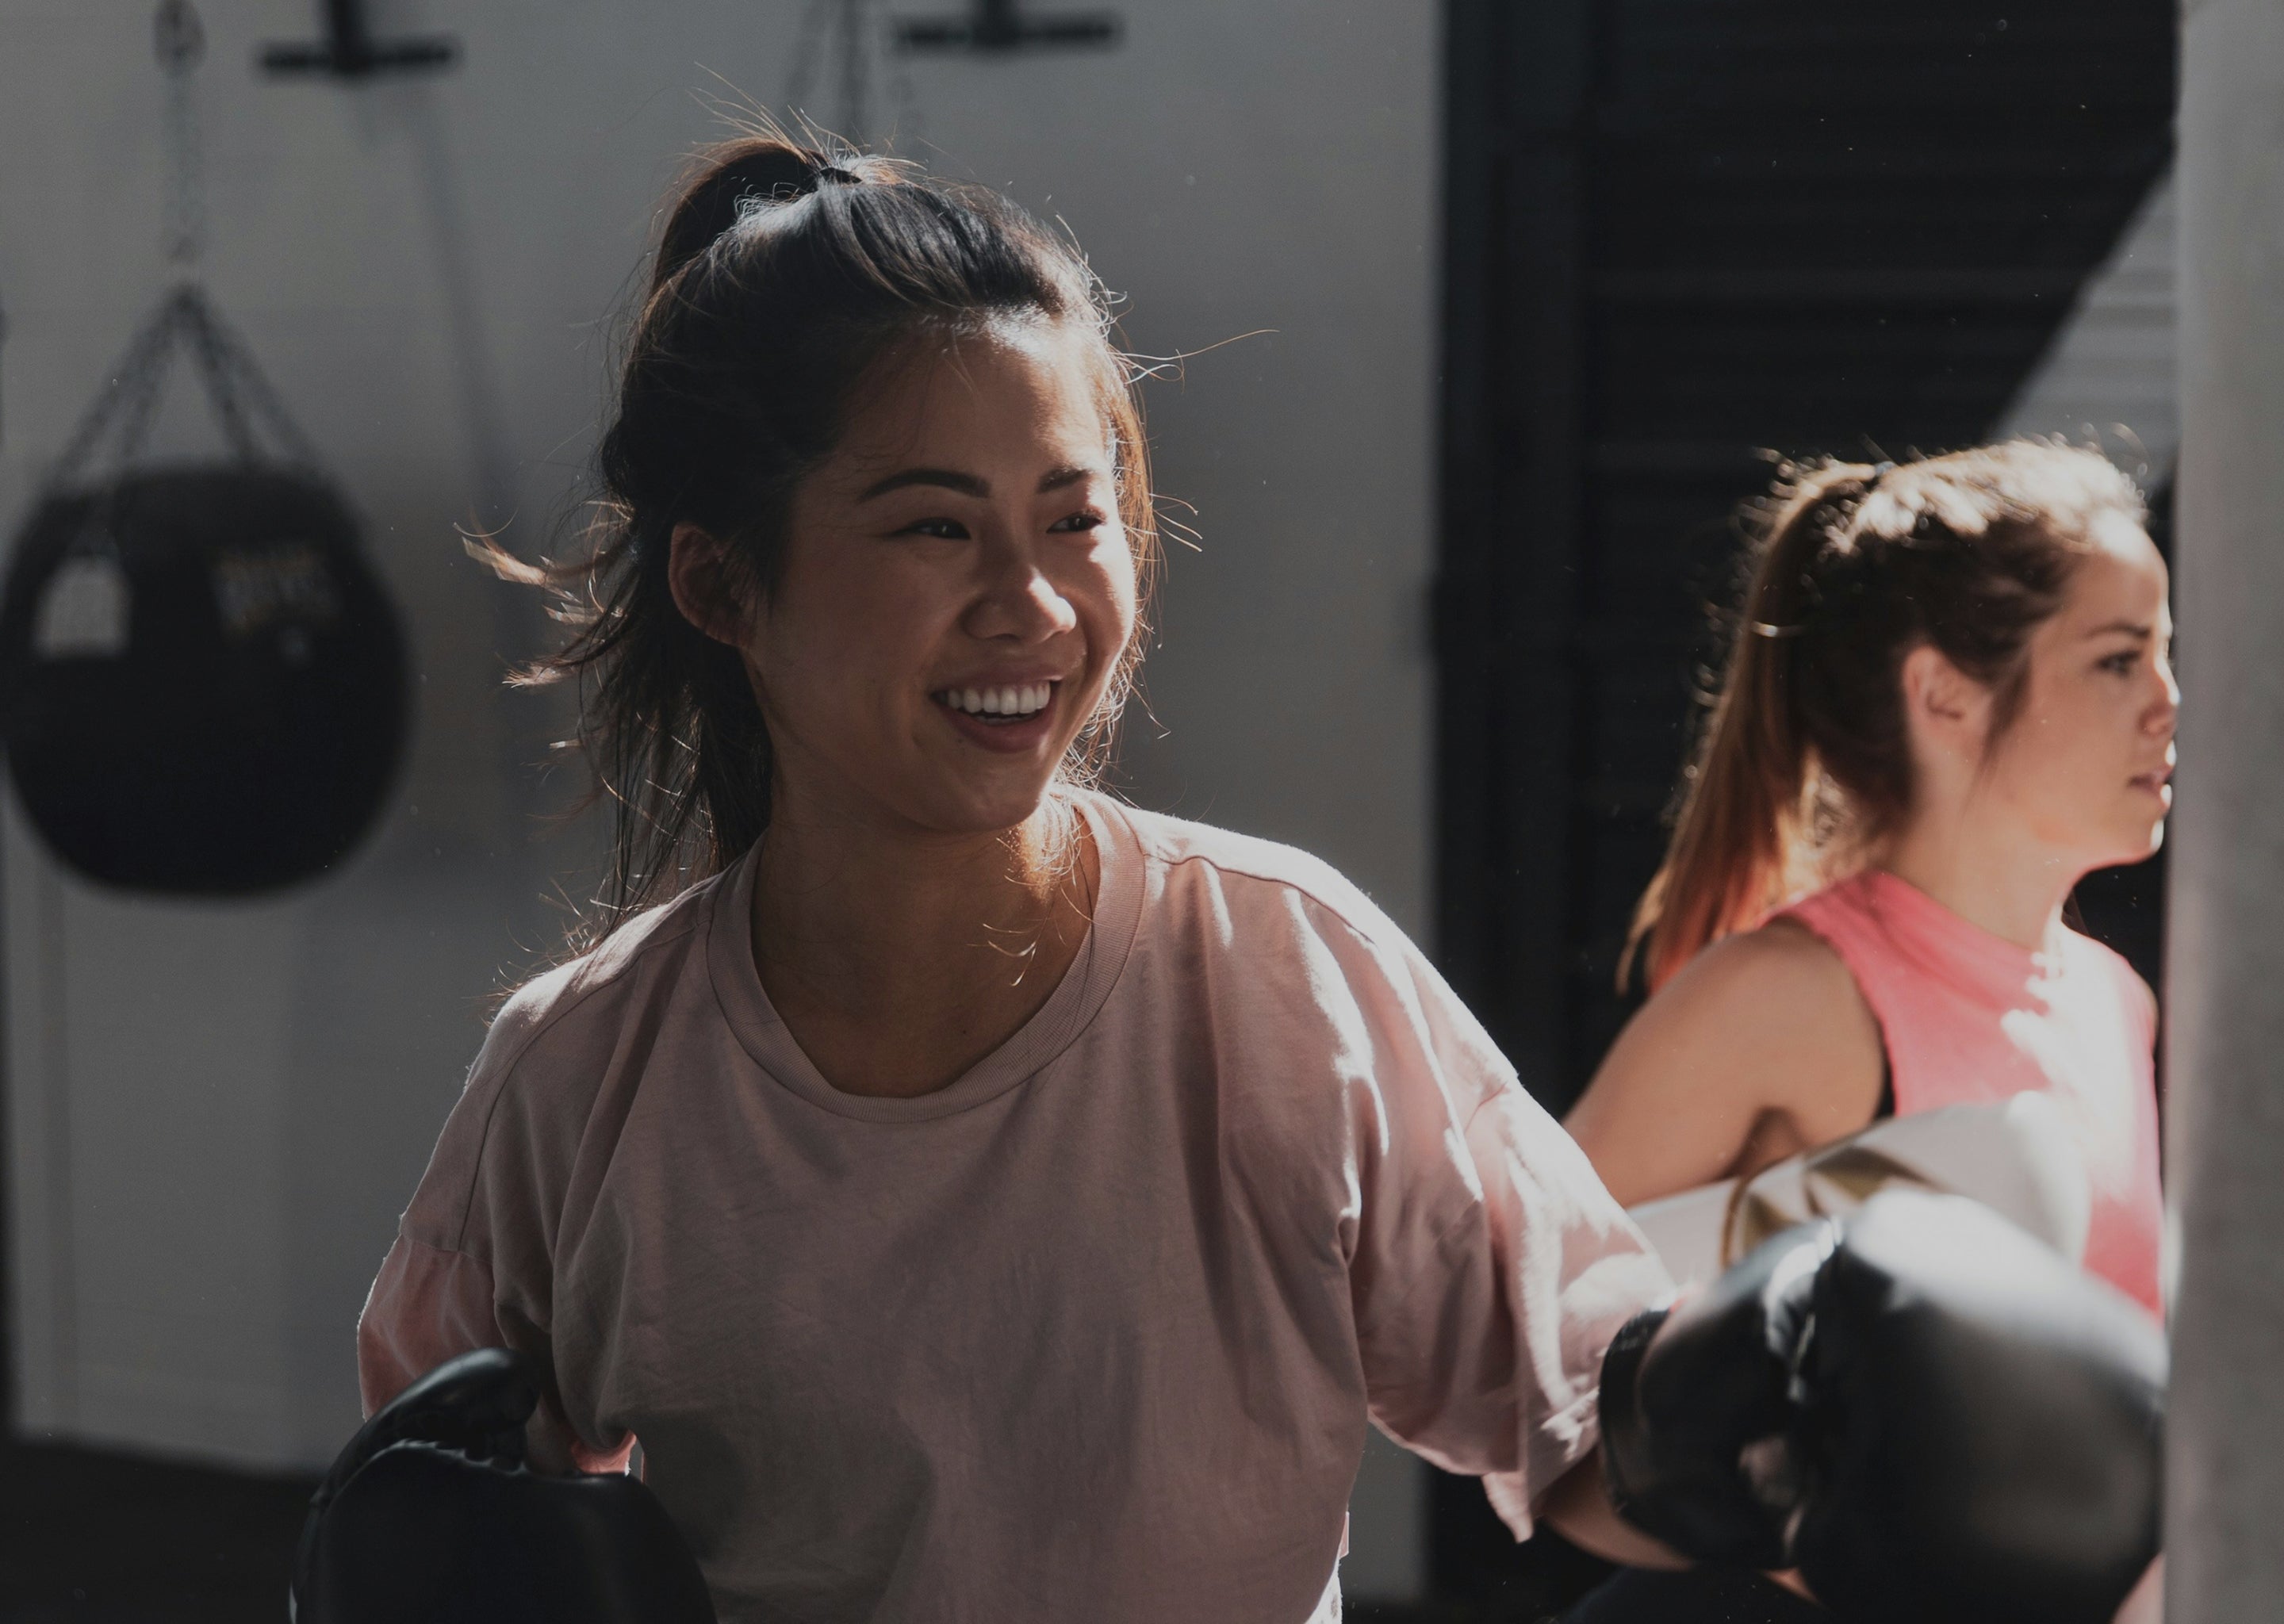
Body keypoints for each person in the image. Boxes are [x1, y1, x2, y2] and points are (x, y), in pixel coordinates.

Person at [352, 130, 1675, 1622]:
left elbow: (1581, 1427)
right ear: (722, 582)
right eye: (934, 526)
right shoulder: (582, 1077)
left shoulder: (1285, 980)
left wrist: (1778, 1410)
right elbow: (429, 1514)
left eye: (1073, 519)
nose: (1033, 604)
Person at [1560, 442, 2175, 1621]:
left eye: (2166, 652)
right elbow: (1500, 1359)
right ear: (1945, 693)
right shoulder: (1787, 999)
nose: (2169, 701)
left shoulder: (2111, 999)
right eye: (2118, 659)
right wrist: (1774, 1521)